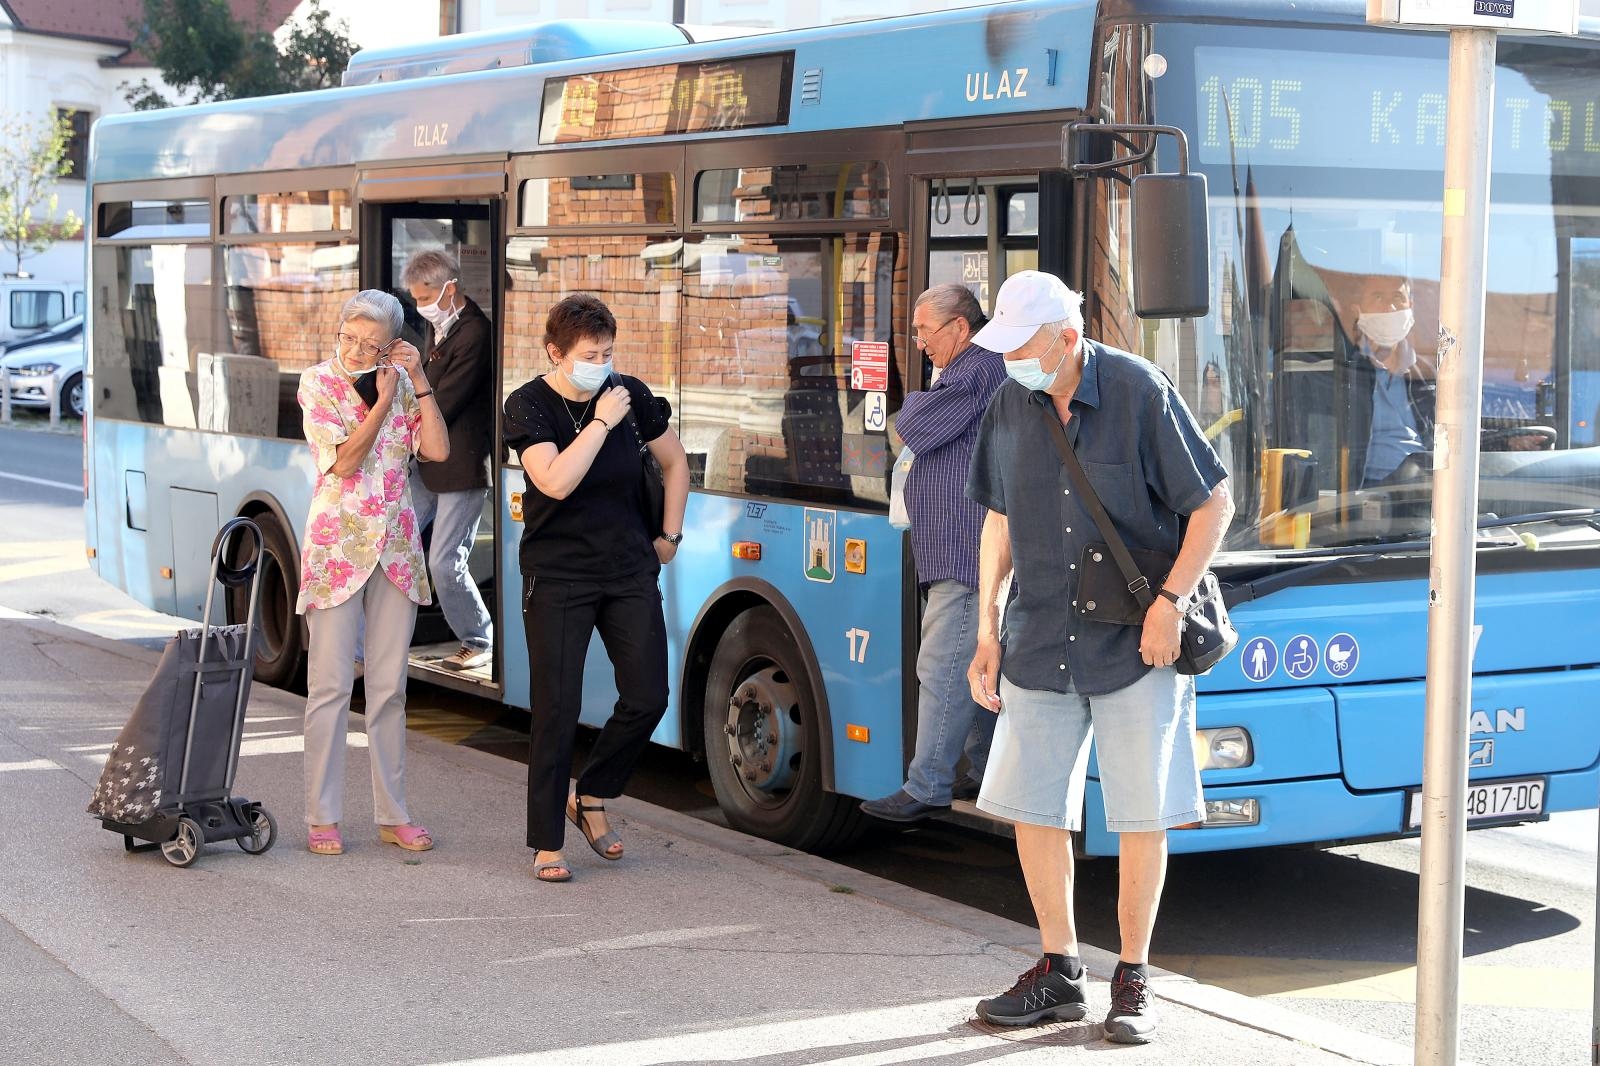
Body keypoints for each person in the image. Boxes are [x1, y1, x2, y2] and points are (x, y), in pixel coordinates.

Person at [962, 271, 1233, 1045]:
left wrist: (1170, 603)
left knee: (1144, 810)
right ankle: (1059, 971)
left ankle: (1135, 979)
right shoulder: (1008, 403)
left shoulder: (1140, 391)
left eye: (1020, 347)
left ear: (1067, 340)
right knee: (1031, 806)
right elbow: (997, 521)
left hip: (1135, 638)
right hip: (1040, 635)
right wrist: (986, 627)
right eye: (1003, 347)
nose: (1010, 360)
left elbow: (1214, 502)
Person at [502, 294, 690, 883]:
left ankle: (593, 794)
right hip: (558, 576)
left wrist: (670, 536)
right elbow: (554, 480)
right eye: (589, 354)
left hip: (629, 568)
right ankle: (547, 842)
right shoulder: (528, 405)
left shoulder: (629, 394)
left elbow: (677, 463)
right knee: (557, 708)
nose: (602, 364)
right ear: (554, 352)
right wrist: (603, 421)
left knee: (649, 696)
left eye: (608, 352)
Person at [296, 290, 450, 857]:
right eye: (349, 339)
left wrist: (418, 380)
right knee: (331, 687)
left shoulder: (402, 380)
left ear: (392, 346)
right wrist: (382, 404)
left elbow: (436, 449)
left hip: (397, 549)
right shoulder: (317, 383)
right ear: (338, 333)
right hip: (338, 549)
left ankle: (393, 814)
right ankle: (322, 816)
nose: (358, 351)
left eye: (371, 344)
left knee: (389, 690)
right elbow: (343, 461)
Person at [859, 285, 1005, 822]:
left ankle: (927, 786)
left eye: (924, 331)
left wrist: (918, 404)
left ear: (959, 328)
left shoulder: (976, 368)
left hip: (966, 552)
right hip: (957, 547)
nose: (918, 343)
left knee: (942, 666)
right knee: (973, 672)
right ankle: (986, 772)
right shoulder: (970, 367)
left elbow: (911, 425)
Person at [401, 250, 495, 671]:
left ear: (449, 289)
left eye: (425, 297)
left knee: (444, 560)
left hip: (462, 465)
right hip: (427, 463)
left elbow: (446, 400)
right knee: (394, 541)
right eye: (415, 298)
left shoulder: (475, 333)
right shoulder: (438, 326)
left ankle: (478, 638)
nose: (420, 306)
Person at [1342, 273, 1433, 488]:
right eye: (1378, 298)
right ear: (1358, 311)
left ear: (1410, 306)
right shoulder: (1347, 368)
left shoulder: (1424, 370)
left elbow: (1447, 428)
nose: (1390, 309)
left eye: (1397, 299)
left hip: (1425, 485)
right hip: (1369, 491)